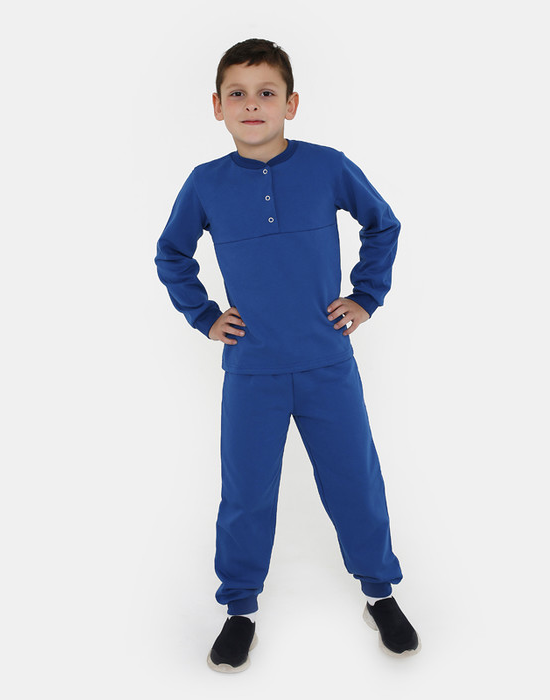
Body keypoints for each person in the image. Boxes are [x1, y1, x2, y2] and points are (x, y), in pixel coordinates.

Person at [155, 38, 420, 673]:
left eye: (266, 93)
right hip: (252, 370)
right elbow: (172, 254)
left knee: (355, 481)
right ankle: (239, 609)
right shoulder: (206, 184)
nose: (253, 105)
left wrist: (365, 296)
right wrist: (205, 316)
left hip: (328, 362)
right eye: (238, 94)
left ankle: (379, 593)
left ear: (291, 104)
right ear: (217, 106)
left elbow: (383, 224)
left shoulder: (327, 167)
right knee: (246, 493)